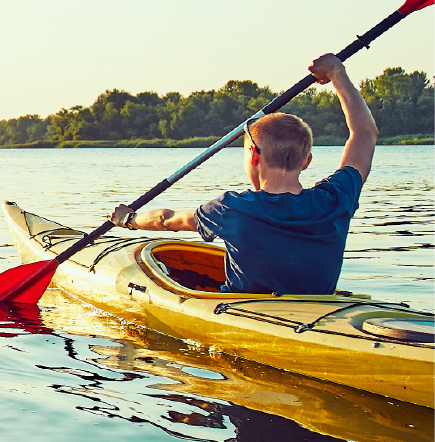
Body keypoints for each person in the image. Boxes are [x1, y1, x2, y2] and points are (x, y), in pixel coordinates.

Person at [108, 53, 377, 295]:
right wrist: (337, 74)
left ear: (253, 156)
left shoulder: (232, 208)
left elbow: (167, 220)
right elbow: (365, 134)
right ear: (306, 161)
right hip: (318, 307)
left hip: (246, 311)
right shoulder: (336, 198)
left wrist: (128, 219)